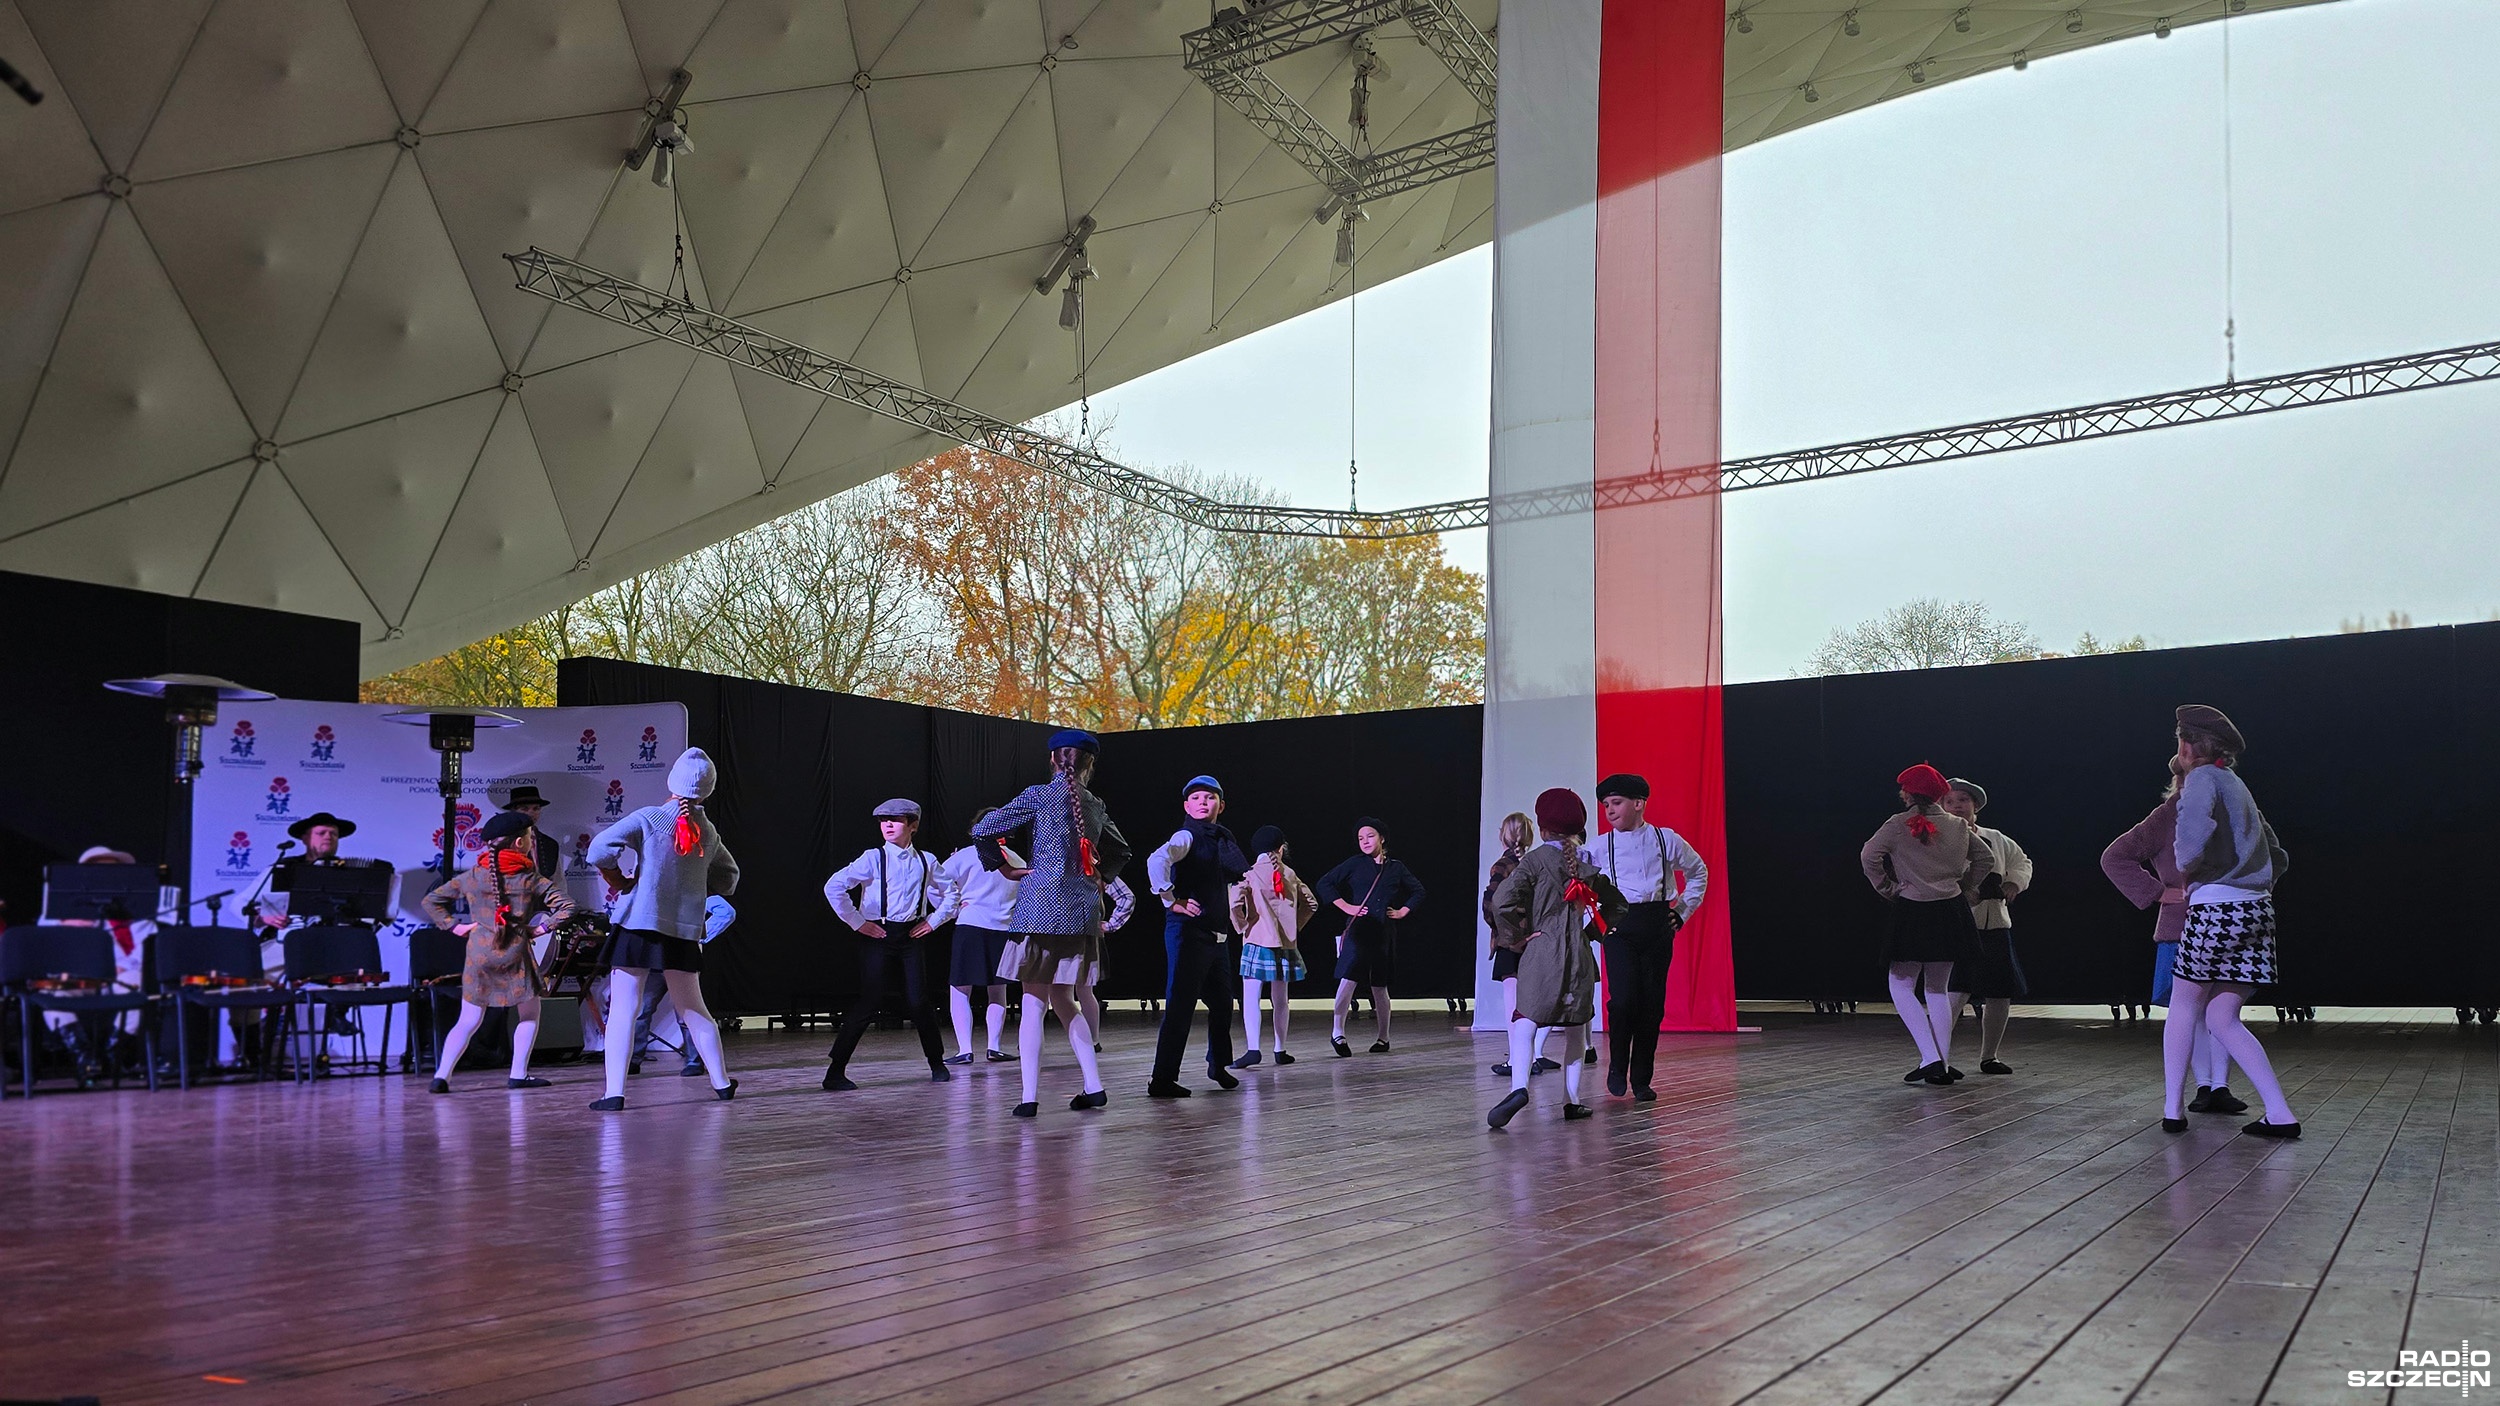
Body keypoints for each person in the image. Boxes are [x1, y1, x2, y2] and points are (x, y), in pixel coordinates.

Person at [973, 730, 1129, 1117]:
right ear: (1090, 765)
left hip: (1039, 910)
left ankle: (1029, 1097)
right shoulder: (1095, 804)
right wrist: (1099, 877)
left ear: (1052, 760)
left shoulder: (1039, 795)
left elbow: (982, 829)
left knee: (1033, 1003)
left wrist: (1005, 868)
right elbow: (1121, 850)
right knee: (1064, 999)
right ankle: (1093, 1085)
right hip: (1080, 912)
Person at [2165, 704, 2300, 1139]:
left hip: (2215, 908)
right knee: (2224, 1018)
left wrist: (2187, 873)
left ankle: (2172, 1109)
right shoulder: (2237, 784)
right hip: (2256, 910)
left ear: (2187, 745)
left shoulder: (2202, 779)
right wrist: (2257, 882)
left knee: (2184, 1005)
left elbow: (2190, 841)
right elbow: (2276, 851)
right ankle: (2279, 1112)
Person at [585, 747, 739, 1111]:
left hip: (638, 926)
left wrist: (620, 880)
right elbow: (730, 879)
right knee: (694, 1009)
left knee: (624, 1009)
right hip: (682, 934)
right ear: (707, 791)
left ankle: (614, 1094)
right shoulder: (708, 832)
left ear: (673, 783)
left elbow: (598, 850)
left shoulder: (649, 818)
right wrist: (692, 885)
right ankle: (721, 1083)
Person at [2101, 756, 2243, 1115]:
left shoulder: (2232, 810)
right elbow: (2115, 857)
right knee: (2194, 1010)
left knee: (2223, 1009)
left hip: (2226, 922)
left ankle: (2220, 1086)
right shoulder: (2167, 816)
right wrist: (2157, 891)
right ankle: (2205, 1085)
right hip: (2183, 924)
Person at [418, 812, 578, 1093]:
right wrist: (540, 929)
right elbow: (568, 907)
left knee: (468, 1020)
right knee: (529, 1014)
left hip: (479, 954)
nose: (531, 841)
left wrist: (454, 927)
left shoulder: (473, 876)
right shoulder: (531, 879)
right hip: (516, 952)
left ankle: (442, 1076)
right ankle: (518, 1074)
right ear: (519, 843)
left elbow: (432, 900)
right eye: (529, 837)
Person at [1860, 764, 1992, 1087]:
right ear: (1939, 795)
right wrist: (1965, 886)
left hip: (1914, 909)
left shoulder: (1897, 824)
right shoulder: (1958, 825)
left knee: (1901, 984)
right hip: (1950, 910)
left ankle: (1931, 1057)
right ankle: (1940, 1062)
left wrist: (1888, 888)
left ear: (1907, 793)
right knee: (1937, 988)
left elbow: (1868, 856)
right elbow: (1985, 859)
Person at [1485, 788, 1610, 1128]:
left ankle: (1519, 1088)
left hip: (1542, 953)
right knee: (1576, 1032)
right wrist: (1591, 934)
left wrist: (1515, 938)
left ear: (1542, 829)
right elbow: (1617, 905)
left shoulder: (1536, 860)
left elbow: (1502, 901)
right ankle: (1572, 1101)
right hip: (1579, 957)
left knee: (1525, 1023)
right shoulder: (1588, 863)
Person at [823, 798, 961, 1089]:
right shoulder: (873, 857)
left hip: (910, 935)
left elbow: (951, 893)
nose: (887, 824)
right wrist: (858, 922)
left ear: (913, 825)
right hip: (879, 934)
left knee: (919, 1001)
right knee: (869, 1001)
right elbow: (834, 886)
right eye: (883, 820)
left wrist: (933, 921)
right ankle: (835, 1071)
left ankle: (936, 1063)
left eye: (895, 820)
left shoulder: (926, 860)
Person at [1591, 774, 1709, 1102]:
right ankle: (1618, 1065)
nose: (1609, 810)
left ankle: (1642, 1078)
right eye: (1606, 804)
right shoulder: (1599, 846)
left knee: (1652, 1004)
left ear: (1639, 803)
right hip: (1620, 927)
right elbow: (1577, 885)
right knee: (1623, 1000)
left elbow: (1698, 871)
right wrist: (1596, 920)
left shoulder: (1665, 839)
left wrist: (1682, 911)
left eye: (1616, 803)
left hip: (1657, 925)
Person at [1144, 776, 1249, 1096]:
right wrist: (1170, 899)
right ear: (1186, 806)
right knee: (1180, 1004)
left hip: (1216, 935)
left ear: (1221, 805)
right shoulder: (1187, 835)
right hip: (1188, 933)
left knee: (1222, 1004)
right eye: (1197, 797)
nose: (1203, 802)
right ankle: (1162, 1079)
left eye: (1210, 797)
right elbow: (1156, 859)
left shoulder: (1222, 840)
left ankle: (1218, 1064)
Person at [1940, 778, 2033, 1076]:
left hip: (1996, 924)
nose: (1957, 806)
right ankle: (1936, 1057)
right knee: (1956, 991)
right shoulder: (1940, 839)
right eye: (1950, 801)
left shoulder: (1996, 838)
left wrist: (2013, 883)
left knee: (2000, 992)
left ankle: (1989, 1056)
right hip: (1961, 924)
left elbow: (2022, 862)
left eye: (1963, 800)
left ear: (1975, 806)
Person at [1317, 819, 1424, 1056]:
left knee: (1379, 985)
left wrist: (1403, 911)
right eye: (1360, 838)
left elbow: (1418, 890)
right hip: (1358, 930)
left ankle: (1384, 1038)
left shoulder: (1396, 867)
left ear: (1382, 838)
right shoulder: (1355, 864)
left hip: (1383, 932)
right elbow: (1325, 883)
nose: (1365, 841)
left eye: (1370, 836)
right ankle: (1337, 1032)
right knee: (1348, 979)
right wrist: (1347, 906)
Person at [940, 809, 1023, 1065]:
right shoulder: (1015, 859)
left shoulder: (965, 855)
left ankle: (965, 1049)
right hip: (1003, 928)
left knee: (960, 988)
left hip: (971, 925)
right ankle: (994, 1046)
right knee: (997, 989)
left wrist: (953, 909)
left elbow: (936, 883)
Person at [1229, 825, 1316, 1068]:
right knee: (1281, 999)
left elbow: (1234, 903)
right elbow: (1312, 903)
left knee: (1251, 998)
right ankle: (1280, 1049)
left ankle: (1253, 1049)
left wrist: (1243, 926)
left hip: (1257, 942)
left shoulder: (1250, 873)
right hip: (1285, 946)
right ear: (1281, 848)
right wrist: (1293, 928)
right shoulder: (1290, 874)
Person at [628, 895, 735, 1077]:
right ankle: (633, 1059)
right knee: (642, 1010)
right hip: (655, 959)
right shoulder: (651, 893)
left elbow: (726, 912)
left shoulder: (692, 891)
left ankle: (694, 1061)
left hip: (683, 960)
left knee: (687, 1013)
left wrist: (699, 936)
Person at [1481, 812, 1554, 1078]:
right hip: (1534, 942)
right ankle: (1530, 1057)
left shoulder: (1503, 866)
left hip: (1510, 943)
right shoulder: (1536, 864)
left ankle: (1517, 1060)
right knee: (1530, 1006)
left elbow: (1492, 905)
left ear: (1504, 835)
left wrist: (1508, 933)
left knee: (1514, 1006)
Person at [497, 785, 562, 879]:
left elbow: (558, 879)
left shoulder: (550, 844)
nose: (531, 813)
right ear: (513, 811)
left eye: (536, 808)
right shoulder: (502, 842)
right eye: (524, 809)